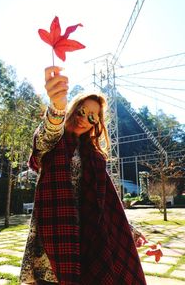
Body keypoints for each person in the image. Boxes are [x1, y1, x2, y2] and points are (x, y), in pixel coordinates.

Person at [20, 66, 147, 285]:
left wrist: (131, 231)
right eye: (80, 110)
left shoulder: (95, 157)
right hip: (53, 236)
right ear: (73, 108)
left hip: (88, 237)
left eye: (91, 117)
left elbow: (107, 202)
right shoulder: (54, 142)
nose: (83, 119)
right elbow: (46, 135)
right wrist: (57, 107)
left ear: (95, 125)